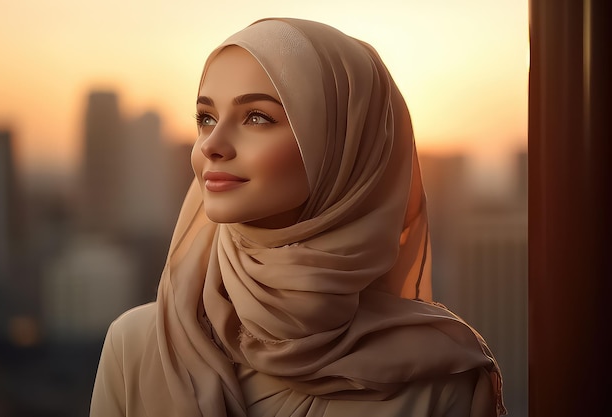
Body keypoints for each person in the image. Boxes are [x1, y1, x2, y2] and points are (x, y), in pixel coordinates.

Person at [90, 18, 506, 417]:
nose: (212, 145)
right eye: (206, 118)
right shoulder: (139, 348)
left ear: (342, 148)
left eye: (257, 117)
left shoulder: (440, 376)